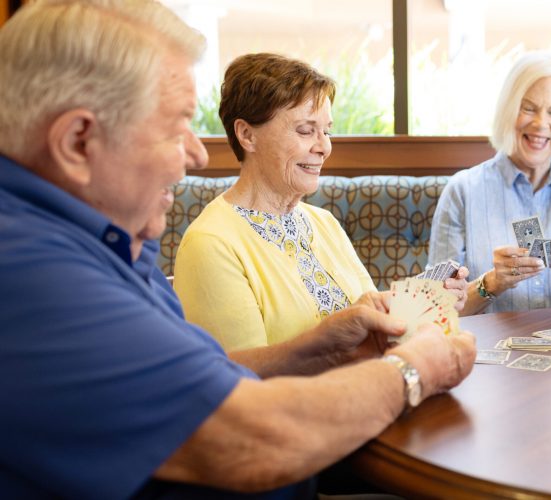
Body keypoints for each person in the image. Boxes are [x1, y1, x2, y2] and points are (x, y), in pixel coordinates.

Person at [0, 1, 475, 498]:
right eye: (174, 125)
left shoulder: (110, 241)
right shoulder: (33, 277)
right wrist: (417, 369)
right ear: (78, 142)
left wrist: (330, 346)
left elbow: (222, 375)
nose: (198, 152)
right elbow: (254, 438)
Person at [174, 52, 470, 351]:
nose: (324, 147)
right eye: (305, 130)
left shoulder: (322, 221)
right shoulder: (210, 243)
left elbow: (372, 328)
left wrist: (427, 304)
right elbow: (240, 384)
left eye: (326, 131)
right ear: (247, 135)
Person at [429, 52, 551, 315]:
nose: (541, 124)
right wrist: (492, 283)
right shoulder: (463, 191)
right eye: (528, 108)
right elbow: (436, 306)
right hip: (485, 350)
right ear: (508, 110)